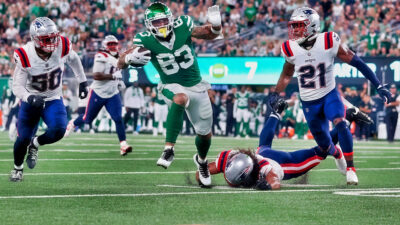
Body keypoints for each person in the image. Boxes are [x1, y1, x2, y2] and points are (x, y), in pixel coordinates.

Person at [270, 7, 392, 185]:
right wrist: (275, 93)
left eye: (298, 25)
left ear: (311, 26)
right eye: (293, 26)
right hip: (308, 101)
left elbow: (356, 61)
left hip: (329, 94)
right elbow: (287, 74)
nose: (294, 30)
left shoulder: (328, 40)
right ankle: (337, 153)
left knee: (339, 121)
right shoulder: (290, 48)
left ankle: (351, 168)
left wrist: (378, 85)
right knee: (324, 145)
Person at [117, 2, 222, 187]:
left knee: (204, 135)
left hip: (197, 85)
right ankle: (169, 149)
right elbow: (120, 62)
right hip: (170, 84)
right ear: (149, 25)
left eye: (164, 21)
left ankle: (202, 162)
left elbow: (210, 34)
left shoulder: (183, 25)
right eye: (156, 23)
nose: (161, 26)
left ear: (171, 19)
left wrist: (216, 26)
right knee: (180, 99)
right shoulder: (144, 39)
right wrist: (127, 59)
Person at [200, 100, 347, 190]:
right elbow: (201, 172)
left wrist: (268, 186)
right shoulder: (228, 158)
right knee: (263, 146)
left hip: (284, 163)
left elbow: (275, 183)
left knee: (320, 151)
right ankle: (275, 113)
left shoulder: (265, 168)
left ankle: (345, 122)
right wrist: (202, 177)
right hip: (263, 153)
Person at [10, 17, 88, 181]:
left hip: (53, 97)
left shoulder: (62, 45)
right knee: (22, 138)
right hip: (31, 101)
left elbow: (73, 59)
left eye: (54, 37)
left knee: (59, 130)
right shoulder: (25, 54)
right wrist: (29, 97)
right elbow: (17, 85)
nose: (53, 42)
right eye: (47, 39)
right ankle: (18, 168)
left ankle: (36, 144)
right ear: (35, 39)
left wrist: (82, 81)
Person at [65, 35, 132, 156]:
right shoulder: (101, 56)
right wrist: (113, 77)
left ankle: (123, 145)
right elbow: (97, 76)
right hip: (98, 93)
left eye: (114, 44)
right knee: (87, 119)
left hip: (112, 94)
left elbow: (121, 67)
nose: (112, 46)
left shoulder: (120, 56)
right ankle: (72, 123)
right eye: (110, 44)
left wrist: (118, 81)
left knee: (118, 119)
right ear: (105, 46)